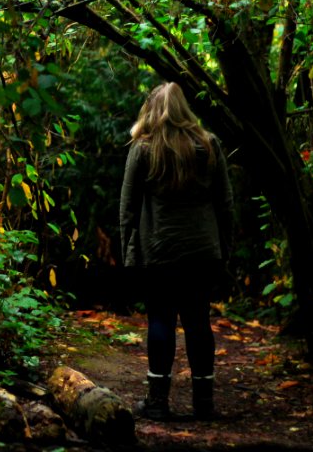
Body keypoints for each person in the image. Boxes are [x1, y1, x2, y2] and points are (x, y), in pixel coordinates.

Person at [119, 82, 233, 421]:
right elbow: (226, 206)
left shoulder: (144, 149)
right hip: (203, 253)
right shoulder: (210, 146)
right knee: (198, 321)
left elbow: (127, 207)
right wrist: (226, 254)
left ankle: (157, 402)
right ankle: (204, 403)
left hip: (159, 252)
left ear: (152, 111)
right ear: (185, 109)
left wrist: (129, 256)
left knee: (161, 320)